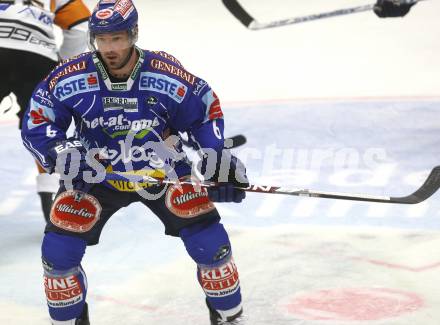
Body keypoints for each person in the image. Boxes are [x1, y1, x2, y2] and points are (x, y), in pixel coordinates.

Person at [21, 0, 248, 324]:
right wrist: (62, 151)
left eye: (117, 38)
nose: (109, 48)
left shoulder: (165, 73)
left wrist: (217, 160)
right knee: (58, 255)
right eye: (102, 39)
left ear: (133, 34)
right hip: (95, 175)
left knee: (211, 246)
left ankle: (230, 317)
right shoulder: (70, 75)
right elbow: (38, 120)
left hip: (163, 170)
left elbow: (202, 114)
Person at [0, 0, 90, 222]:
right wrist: (62, 66)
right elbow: (81, 23)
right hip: (37, 53)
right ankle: (51, 193)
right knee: (43, 125)